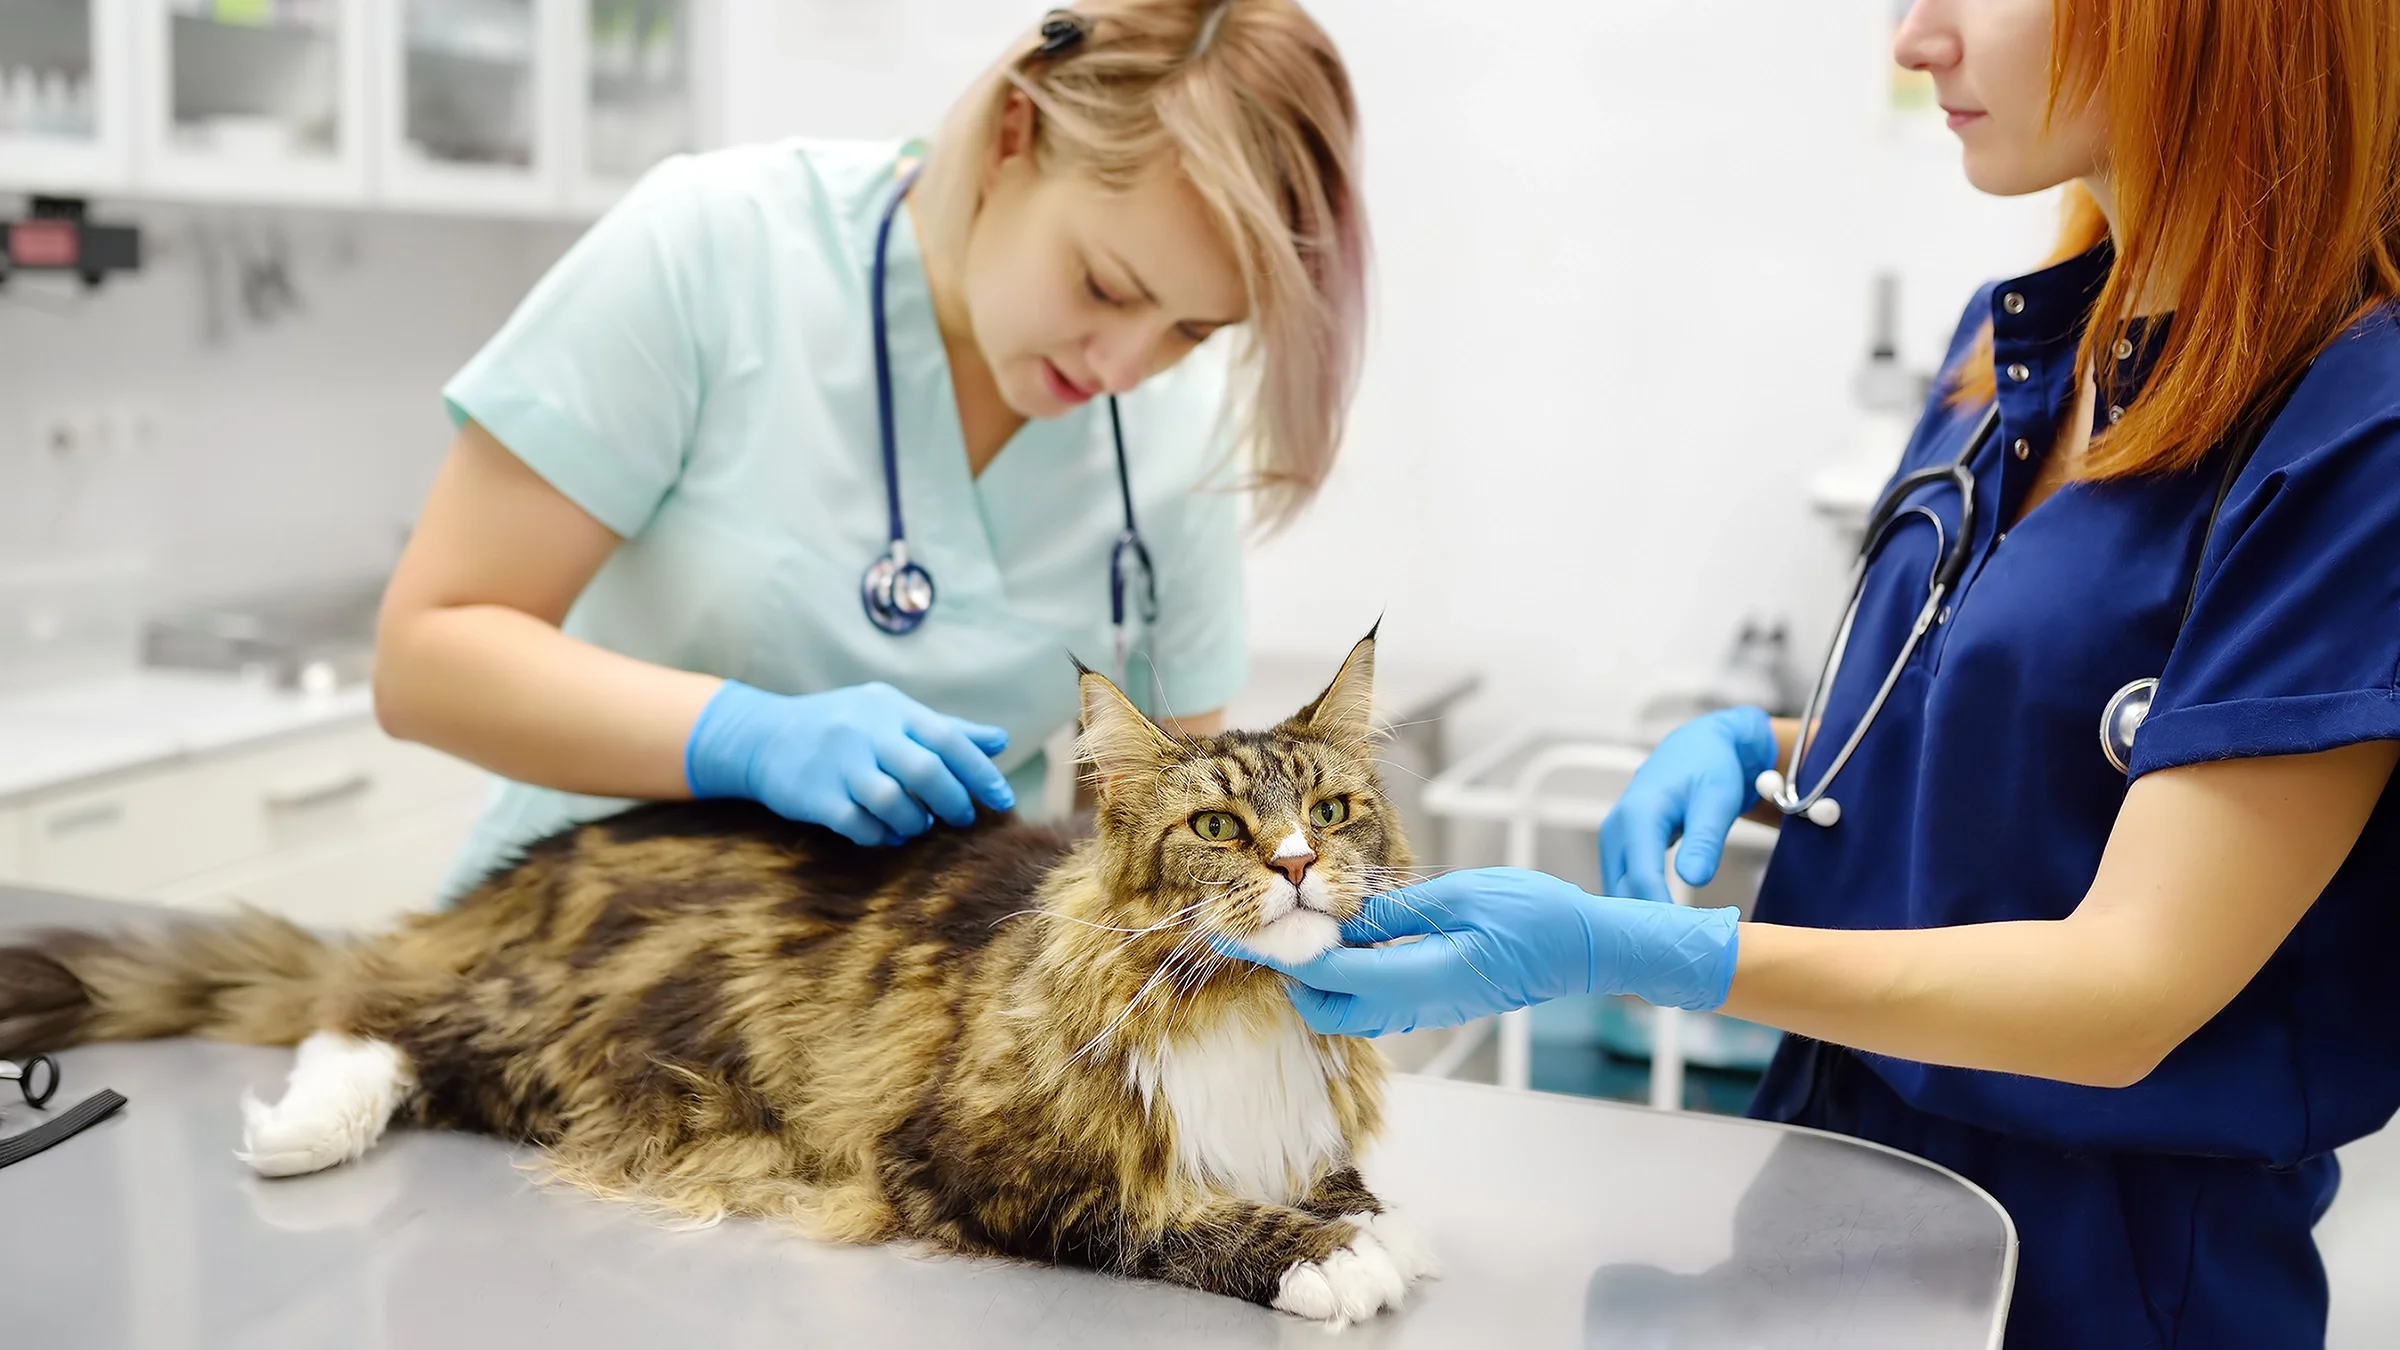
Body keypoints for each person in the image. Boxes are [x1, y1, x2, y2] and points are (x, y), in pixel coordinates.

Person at [1224, 1, 2400, 1344]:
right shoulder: (2017, 344)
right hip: (1833, 1171)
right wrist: (1773, 740)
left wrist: (1636, 951)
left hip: (2107, 1268)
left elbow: (2129, 987)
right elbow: (2035, 733)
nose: (1915, 42)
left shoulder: (2357, 436)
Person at [372, 1, 1368, 899]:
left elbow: (1171, 840)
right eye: (1105, 287)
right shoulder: (715, 249)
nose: (1125, 363)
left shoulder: (1177, 421)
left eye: (1193, 330)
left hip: (903, 1026)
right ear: (1015, 134)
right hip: (586, 962)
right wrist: (739, 737)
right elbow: (424, 660)